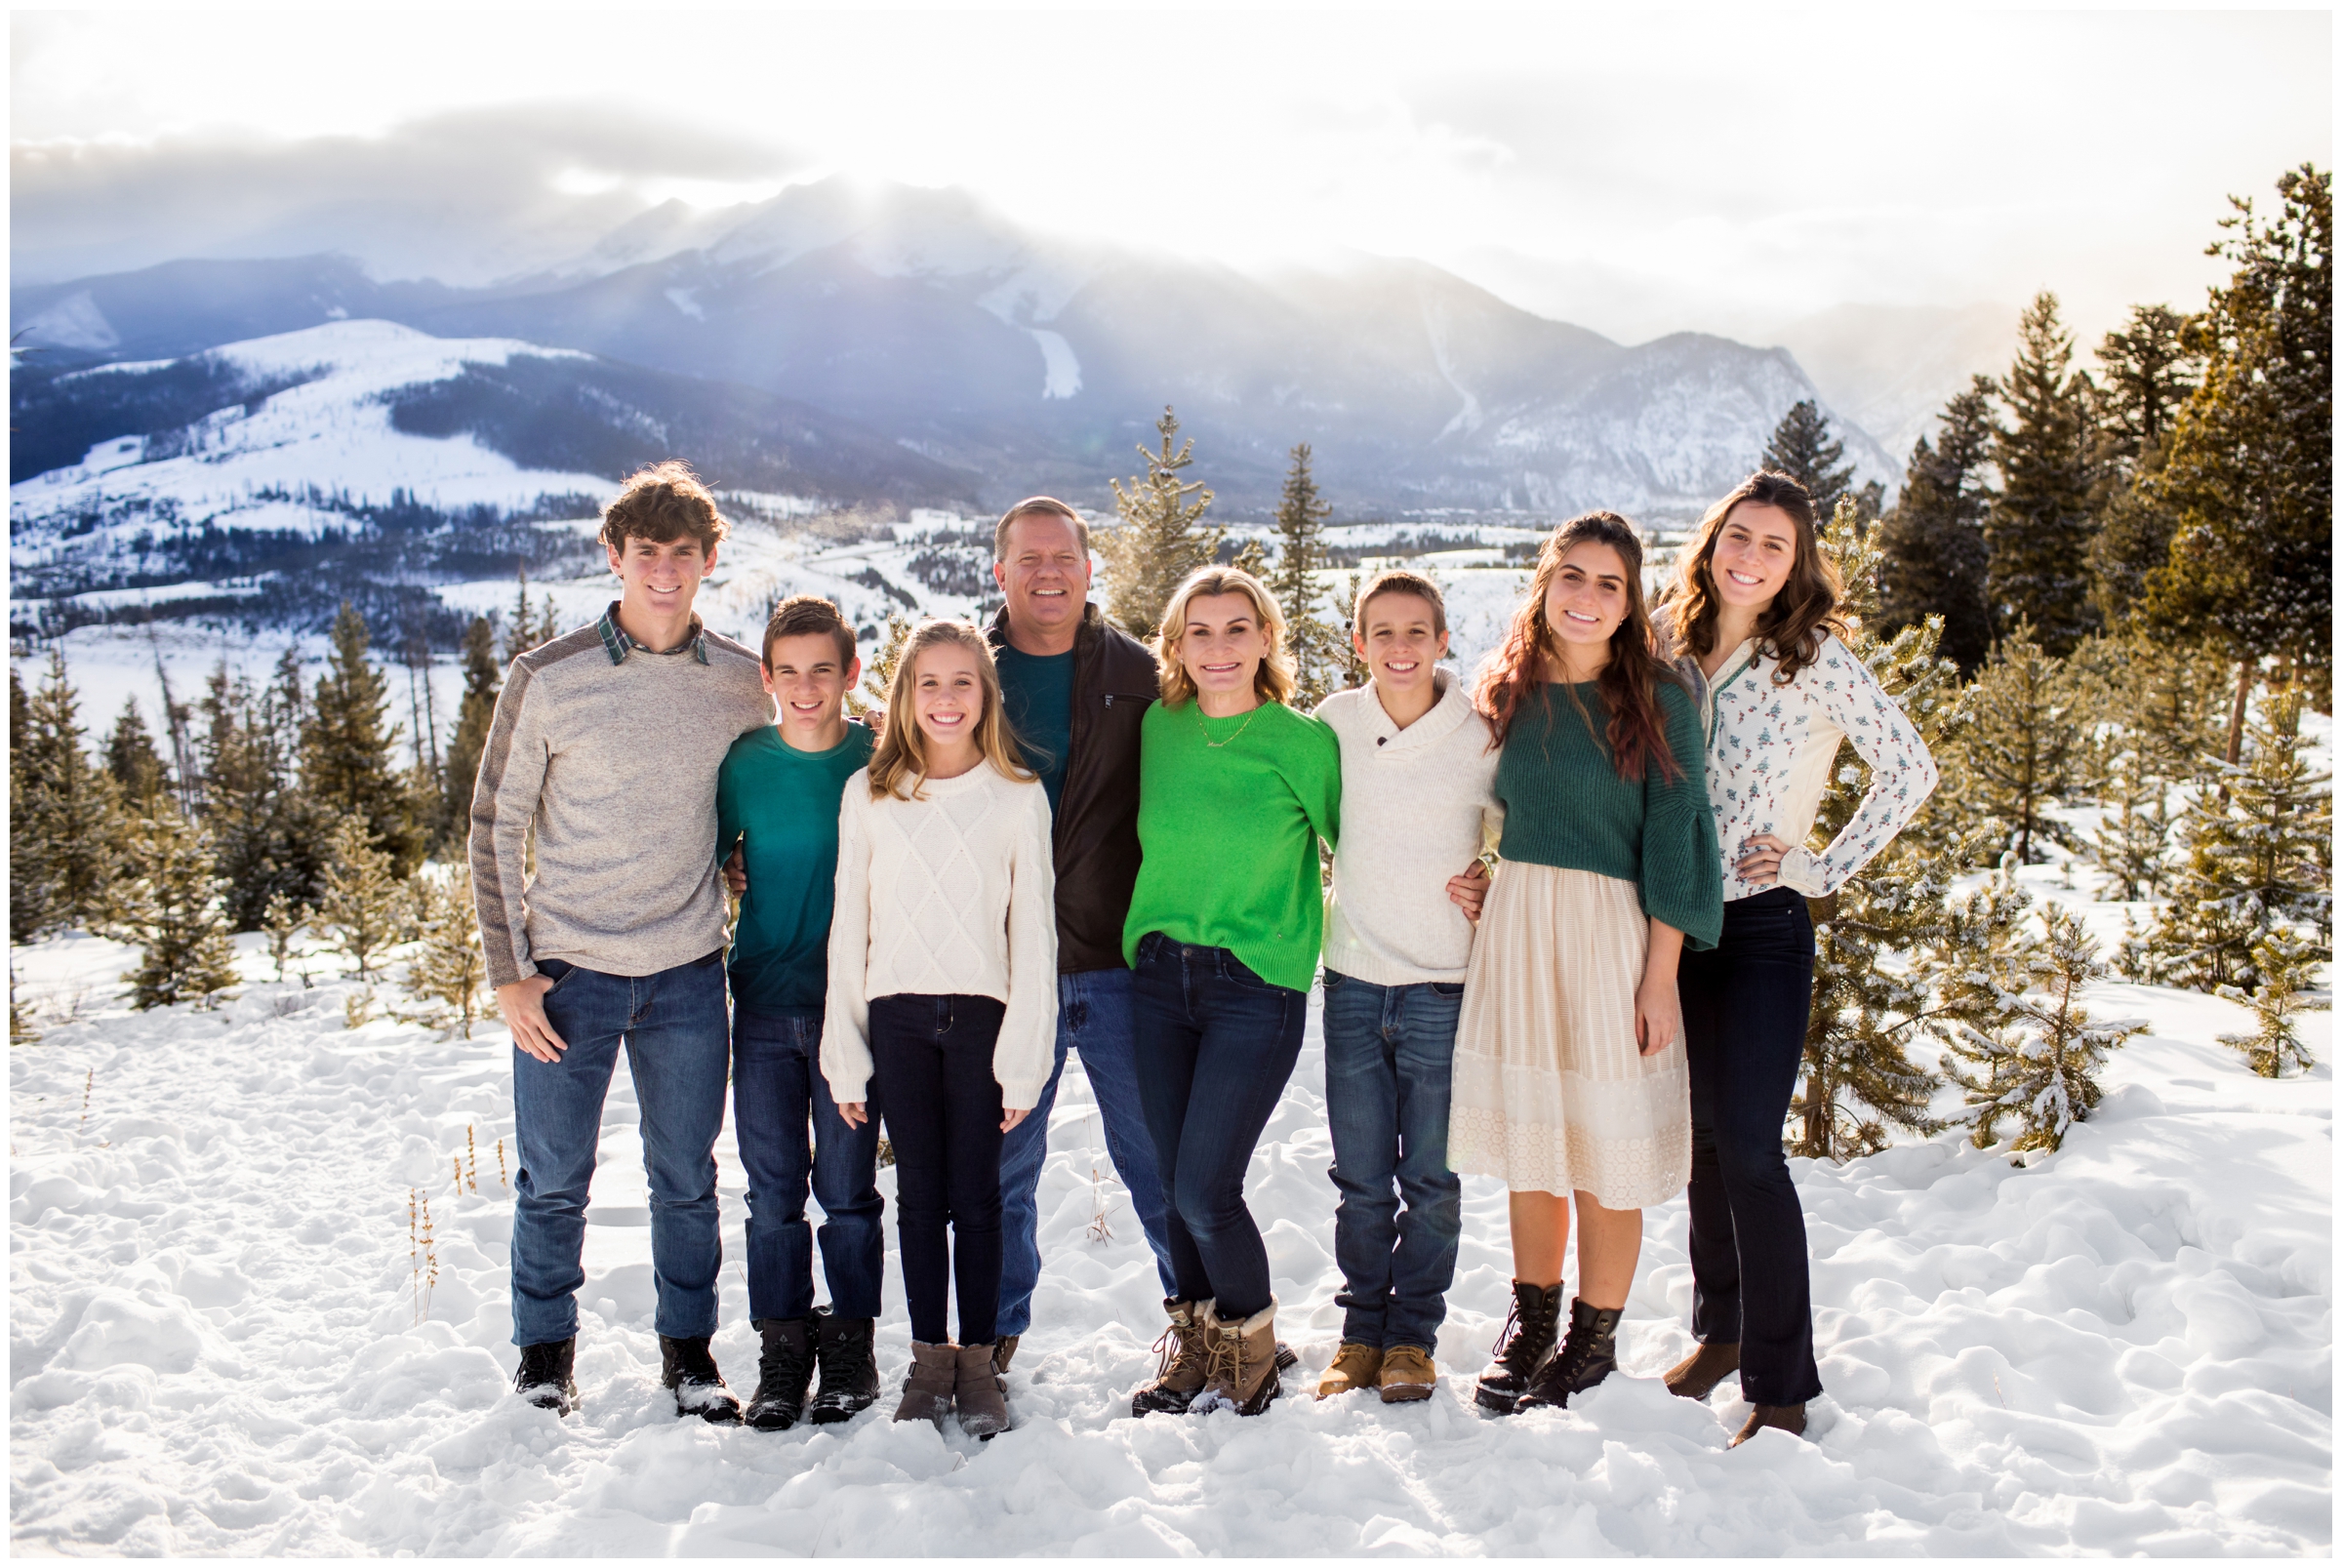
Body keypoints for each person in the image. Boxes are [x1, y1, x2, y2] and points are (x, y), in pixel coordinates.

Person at [470, 462, 772, 1422]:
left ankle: (689, 1357)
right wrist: (511, 974)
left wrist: (742, 859)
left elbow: (744, 803)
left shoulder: (737, 681)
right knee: (554, 1180)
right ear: (615, 555)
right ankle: (544, 1361)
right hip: (567, 976)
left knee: (686, 1178)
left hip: (687, 970)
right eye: (648, 554)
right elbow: (491, 823)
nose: (666, 572)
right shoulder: (547, 678)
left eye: (685, 555)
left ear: (709, 559)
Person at [1660, 471, 1937, 1448]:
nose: (1750, 556)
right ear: (1712, 539)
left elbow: (1909, 767)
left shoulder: (1815, 657)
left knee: (1750, 1147)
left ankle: (1781, 1383)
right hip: (1675, 927)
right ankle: (1721, 1330)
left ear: (1796, 564)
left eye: (1773, 546)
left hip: (1766, 926)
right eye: (1738, 535)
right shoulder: (1668, 638)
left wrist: (1820, 862)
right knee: (1696, 1139)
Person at [1449, 511, 1722, 1418]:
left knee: (1605, 1148)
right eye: (1573, 576)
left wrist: (1658, 975)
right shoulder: (1509, 690)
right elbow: (1486, 810)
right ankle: (1530, 1325)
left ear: (1631, 599)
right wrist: (1485, 877)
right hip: (1521, 926)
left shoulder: (1658, 697)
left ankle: (1592, 1342)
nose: (1589, 597)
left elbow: (1680, 839)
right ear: (1546, 582)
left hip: (1614, 933)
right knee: (1536, 1145)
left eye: (1611, 583)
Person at [821, 619, 1057, 1440]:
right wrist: (845, 1056)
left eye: (964, 682)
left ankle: (981, 1363)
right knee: (918, 1197)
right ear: (905, 694)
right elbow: (849, 925)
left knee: (980, 1198)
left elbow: (1035, 935)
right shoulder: (872, 793)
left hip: (983, 1023)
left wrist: (1025, 1059)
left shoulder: (1018, 793)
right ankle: (928, 1360)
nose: (947, 699)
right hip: (896, 1017)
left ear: (985, 693)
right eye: (930, 683)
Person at [1121, 566, 1340, 1419]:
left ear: (1266, 638)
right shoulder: (1159, 726)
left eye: (1236, 628)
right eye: (1199, 631)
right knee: (1172, 1177)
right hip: (1159, 978)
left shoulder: (1300, 741)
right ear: (1175, 644)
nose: (1218, 647)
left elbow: (1361, 843)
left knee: (1206, 1185)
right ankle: (1197, 1345)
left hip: (1256, 984)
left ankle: (1249, 1347)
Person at [982, 497, 1180, 1377]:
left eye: (1064, 555)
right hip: (1002, 969)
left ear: (1090, 568)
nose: (1048, 572)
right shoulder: (966, 677)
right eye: (1029, 558)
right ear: (1000, 570)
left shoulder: (1143, 674)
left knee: (1160, 1160)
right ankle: (991, 1336)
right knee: (1000, 1171)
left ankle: (1206, 1321)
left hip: (1117, 962)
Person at [1311, 571, 1501, 1404]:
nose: (1399, 646)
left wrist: (1493, 877)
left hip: (1440, 988)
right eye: (1381, 631)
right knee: (1359, 1177)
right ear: (1358, 643)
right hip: (1353, 980)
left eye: (1416, 630)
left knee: (1430, 1177)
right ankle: (1359, 1332)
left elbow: (1518, 839)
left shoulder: (1479, 735)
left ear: (1443, 639)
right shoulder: (1334, 724)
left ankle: (1412, 1337)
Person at [714, 595, 884, 1430]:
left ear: (850, 673)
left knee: (848, 1190)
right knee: (773, 1192)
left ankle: (851, 1342)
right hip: (764, 1001)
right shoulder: (743, 764)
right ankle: (783, 1348)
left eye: (824, 669)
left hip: (850, 1006)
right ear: (767, 677)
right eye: (790, 671)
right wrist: (731, 869)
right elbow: (708, 856)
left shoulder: (879, 756)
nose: (807, 686)